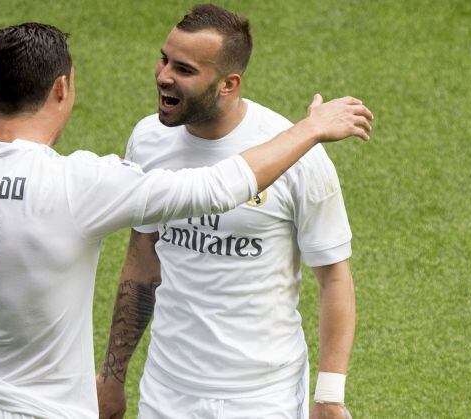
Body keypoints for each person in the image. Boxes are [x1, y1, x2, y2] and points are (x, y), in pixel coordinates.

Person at [0, 22, 372, 419]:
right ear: (62, 89)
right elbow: (216, 188)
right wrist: (309, 131)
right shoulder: (79, 184)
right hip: (49, 410)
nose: (162, 76)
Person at [97, 5, 363, 419]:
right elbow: (142, 261)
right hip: (167, 388)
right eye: (164, 58)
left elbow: (334, 277)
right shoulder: (148, 140)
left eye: (184, 70)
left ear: (228, 84)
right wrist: (111, 376)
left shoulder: (298, 155)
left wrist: (329, 394)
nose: (164, 75)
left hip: (263, 395)